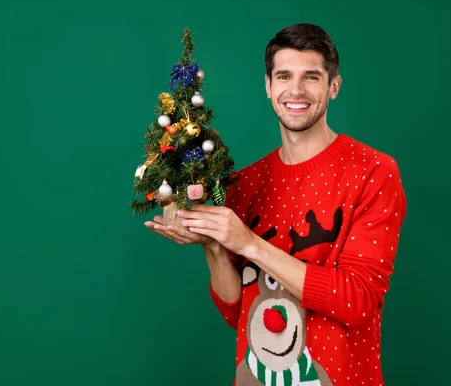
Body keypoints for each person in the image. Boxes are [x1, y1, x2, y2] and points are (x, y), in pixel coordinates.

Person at [145, 23, 407, 386]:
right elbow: (235, 312)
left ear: (334, 87)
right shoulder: (244, 184)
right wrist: (215, 249)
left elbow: (357, 301)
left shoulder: (373, 171)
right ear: (268, 86)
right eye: (284, 76)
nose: (295, 90)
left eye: (311, 77)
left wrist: (249, 243)